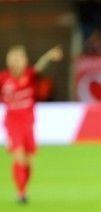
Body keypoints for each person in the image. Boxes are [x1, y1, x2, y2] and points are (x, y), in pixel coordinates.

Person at [1, 45, 63, 203]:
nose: (15, 62)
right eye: (13, 59)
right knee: (19, 156)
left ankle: (24, 188)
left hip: (28, 123)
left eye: (19, 58)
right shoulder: (3, 78)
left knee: (28, 161)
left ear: (24, 61)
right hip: (12, 123)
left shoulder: (29, 75)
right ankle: (21, 193)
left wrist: (49, 55)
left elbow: (40, 66)